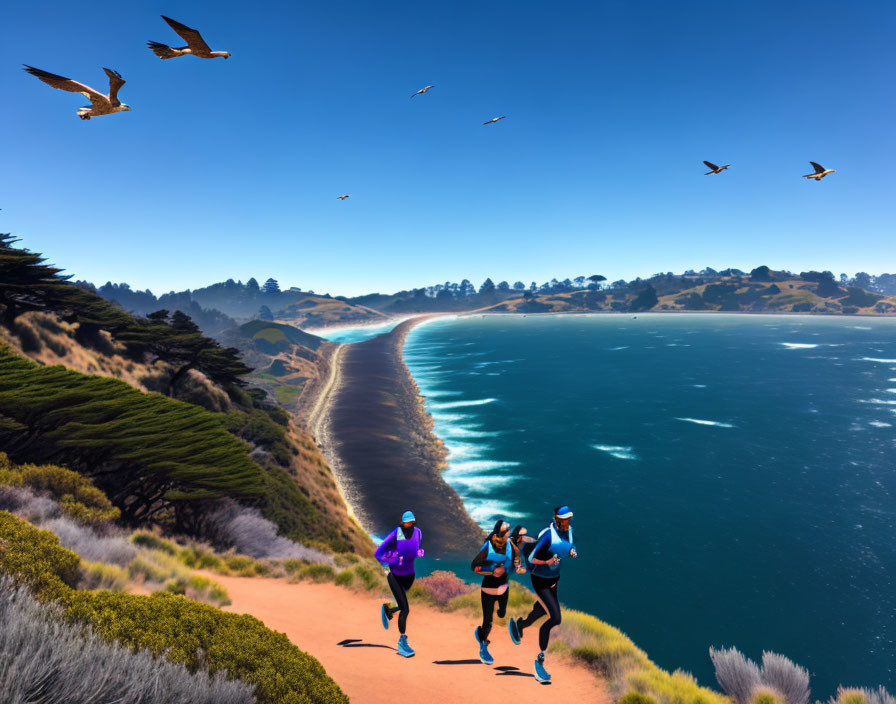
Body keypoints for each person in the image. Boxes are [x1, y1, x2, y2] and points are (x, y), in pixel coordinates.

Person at [508, 506, 577, 683]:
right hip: (540, 581)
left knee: (541, 610)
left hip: (554, 580)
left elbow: (570, 542)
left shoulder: (569, 531)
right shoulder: (547, 535)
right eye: (564, 520)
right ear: (557, 520)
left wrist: (571, 550)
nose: (567, 523)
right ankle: (540, 661)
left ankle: (520, 625)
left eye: (569, 519)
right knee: (555, 618)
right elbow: (532, 559)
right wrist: (546, 561)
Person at [470, 520, 524, 664]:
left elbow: (516, 558)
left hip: (503, 589)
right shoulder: (487, 547)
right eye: (507, 531)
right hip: (488, 589)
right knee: (488, 621)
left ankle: (480, 633)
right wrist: (492, 570)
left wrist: (518, 567)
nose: (509, 533)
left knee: (502, 613)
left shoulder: (511, 546)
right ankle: (483, 646)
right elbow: (474, 567)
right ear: (502, 534)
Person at [374, 510, 424, 657]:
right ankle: (402, 643)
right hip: (395, 576)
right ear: (402, 522)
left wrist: (419, 552)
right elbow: (379, 553)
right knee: (406, 609)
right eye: (407, 522)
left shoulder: (418, 532)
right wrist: (392, 560)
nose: (409, 524)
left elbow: (414, 549)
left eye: (411, 521)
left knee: (402, 606)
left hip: (410, 576)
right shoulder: (396, 533)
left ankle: (388, 609)